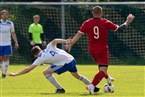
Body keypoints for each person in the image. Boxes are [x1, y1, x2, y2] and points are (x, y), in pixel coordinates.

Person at [66, 6, 135, 94]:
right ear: (101, 13)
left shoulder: (87, 22)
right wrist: (127, 21)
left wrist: (71, 43)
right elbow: (120, 29)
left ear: (92, 13)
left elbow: (78, 35)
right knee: (103, 70)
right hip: (102, 49)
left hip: (92, 50)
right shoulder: (105, 22)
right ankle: (92, 86)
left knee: (101, 67)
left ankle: (108, 78)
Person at [9, 38, 99, 93]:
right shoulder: (48, 46)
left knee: (45, 72)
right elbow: (55, 40)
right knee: (77, 75)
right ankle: (92, 86)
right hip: (71, 59)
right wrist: (66, 41)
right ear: (40, 48)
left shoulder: (40, 58)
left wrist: (15, 74)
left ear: (35, 55)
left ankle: (60, 89)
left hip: (65, 63)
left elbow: (28, 69)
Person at [0, 10, 19, 78]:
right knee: (1, 59)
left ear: (8, 16)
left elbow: (13, 33)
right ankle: (3, 70)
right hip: (0, 44)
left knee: (6, 58)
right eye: (3, 14)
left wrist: (16, 42)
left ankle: (4, 73)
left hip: (7, 44)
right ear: (1, 15)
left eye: (6, 14)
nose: (5, 16)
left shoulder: (10, 23)